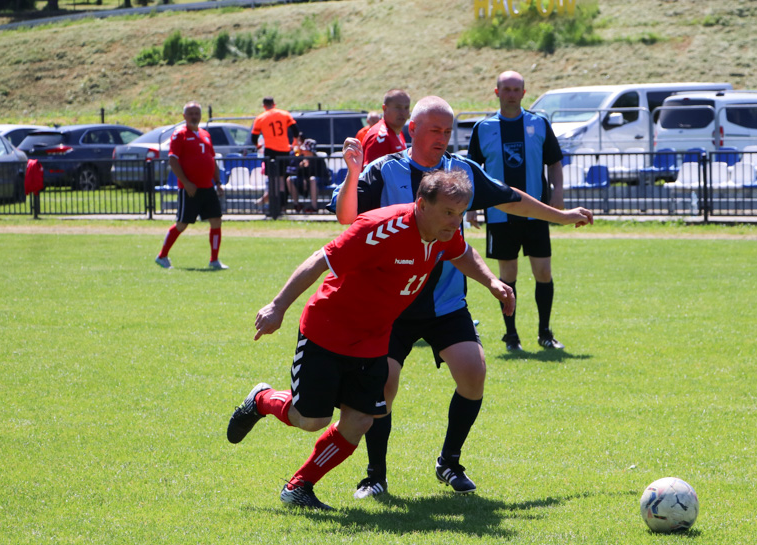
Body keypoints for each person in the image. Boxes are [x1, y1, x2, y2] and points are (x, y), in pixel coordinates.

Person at [333, 96, 592, 499]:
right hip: (390, 304)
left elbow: (510, 199)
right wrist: (350, 176)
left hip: (445, 302)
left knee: (473, 373)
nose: (443, 137)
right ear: (413, 130)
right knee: (383, 387)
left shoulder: (461, 170)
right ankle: (376, 474)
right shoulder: (383, 171)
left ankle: (449, 463)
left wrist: (561, 216)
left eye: (448, 130)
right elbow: (346, 216)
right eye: (434, 129)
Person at [226, 170, 516, 510]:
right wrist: (277, 307)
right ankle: (262, 399)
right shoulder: (381, 227)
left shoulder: (442, 232)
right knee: (310, 419)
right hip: (328, 330)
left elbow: (461, 251)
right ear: (422, 204)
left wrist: (492, 282)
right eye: (449, 213)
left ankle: (299, 486)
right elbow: (322, 259)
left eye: (461, 213)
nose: (455, 222)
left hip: (375, 338)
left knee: (361, 419)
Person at [467, 70, 566, 351]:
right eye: (506, 89)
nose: (511, 94)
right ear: (497, 92)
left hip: (537, 213)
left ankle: (545, 333)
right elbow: (471, 172)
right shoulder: (483, 128)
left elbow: (555, 163)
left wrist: (558, 192)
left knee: (543, 272)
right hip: (500, 216)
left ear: (524, 93)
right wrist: (471, 208)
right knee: (507, 276)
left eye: (516, 89)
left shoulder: (539, 123)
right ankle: (511, 337)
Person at [155, 101, 227, 270]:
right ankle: (162, 255)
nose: (194, 116)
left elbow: (211, 160)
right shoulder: (180, 134)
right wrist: (186, 183)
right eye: (191, 113)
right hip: (190, 189)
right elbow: (173, 160)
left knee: (216, 220)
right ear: (184, 116)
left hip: (207, 187)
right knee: (182, 224)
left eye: (197, 113)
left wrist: (217, 182)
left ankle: (214, 260)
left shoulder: (205, 134)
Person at [251, 97, 300, 201]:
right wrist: (295, 141)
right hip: (284, 149)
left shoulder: (260, 118)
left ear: (264, 106)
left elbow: (254, 137)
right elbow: (295, 130)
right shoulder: (284, 114)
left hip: (270, 150)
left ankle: (274, 206)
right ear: (274, 104)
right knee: (281, 179)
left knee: (272, 179)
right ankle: (282, 205)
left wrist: (258, 145)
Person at [362, 89, 410, 165]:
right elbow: (372, 174)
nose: (403, 112)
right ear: (385, 108)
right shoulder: (380, 137)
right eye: (398, 107)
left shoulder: (398, 132)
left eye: (406, 108)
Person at [286, 138, 331, 213]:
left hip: (320, 180)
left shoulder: (319, 159)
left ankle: (314, 207)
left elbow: (321, 173)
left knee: (312, 179)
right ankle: (297, 204)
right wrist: (301, 167)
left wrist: (309, 167)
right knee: (289, 179)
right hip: (306, 180)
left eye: (305, 149)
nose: (303, 151)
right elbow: (297, 174)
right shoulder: (302, 158)